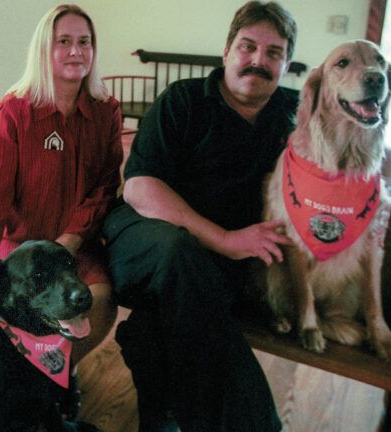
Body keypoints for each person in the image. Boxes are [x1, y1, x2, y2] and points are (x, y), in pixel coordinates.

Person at [102, 2, 298, 431]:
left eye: (273, 53)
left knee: (155, 328)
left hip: (213, 269)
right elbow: (139, 188)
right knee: (178, 250)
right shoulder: (184, 100)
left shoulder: (297, 114)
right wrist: (227, 239)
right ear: (227, 50)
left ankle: (160, 411)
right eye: (248, 47)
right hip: (143, 239)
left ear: (286, 64)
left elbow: (373, 147)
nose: (258, 61)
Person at [0, 3, 122, 414]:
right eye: (64, 42)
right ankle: (26, 381)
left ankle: (59, 372)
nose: (76, 51)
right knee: (7, 310)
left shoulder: (104, 111)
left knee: (98, 300)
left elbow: (104, 186)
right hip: (23, 249)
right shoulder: (14, 113)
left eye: (85, 42)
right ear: (44, 49)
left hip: (77, 246)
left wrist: (69, 242)